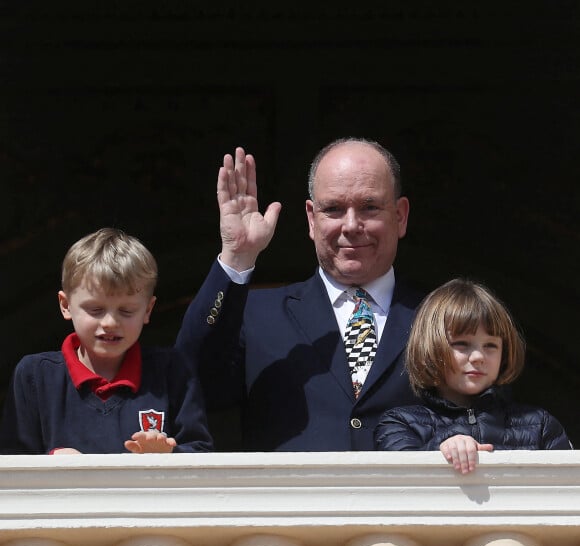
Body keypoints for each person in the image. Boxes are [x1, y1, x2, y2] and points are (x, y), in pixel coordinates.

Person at [176, 137, 424, 452]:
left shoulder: (440, 316)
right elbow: (190, 379)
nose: (351, 225)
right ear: (311, 218)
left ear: (400, 215)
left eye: (369, 207)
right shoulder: (258, 314)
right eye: (333, 209)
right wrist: (236, 257)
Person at [0, 227, 213, 454]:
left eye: (127, 311)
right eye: (96, 309)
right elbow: (12, 466)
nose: (110, 322)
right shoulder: (35, 376)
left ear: (148, 310)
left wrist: (167, 456)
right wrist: (52, 465)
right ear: (65, 305)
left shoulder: (172, 371)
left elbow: (202, 456)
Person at [374, 278, 573, 474]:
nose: (478, 357)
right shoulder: (400, 424)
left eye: (490, 346)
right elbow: (401, 487)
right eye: (462, 344)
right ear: (431, 348)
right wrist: (439, 449)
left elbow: (569, 490)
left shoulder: (540, 425)